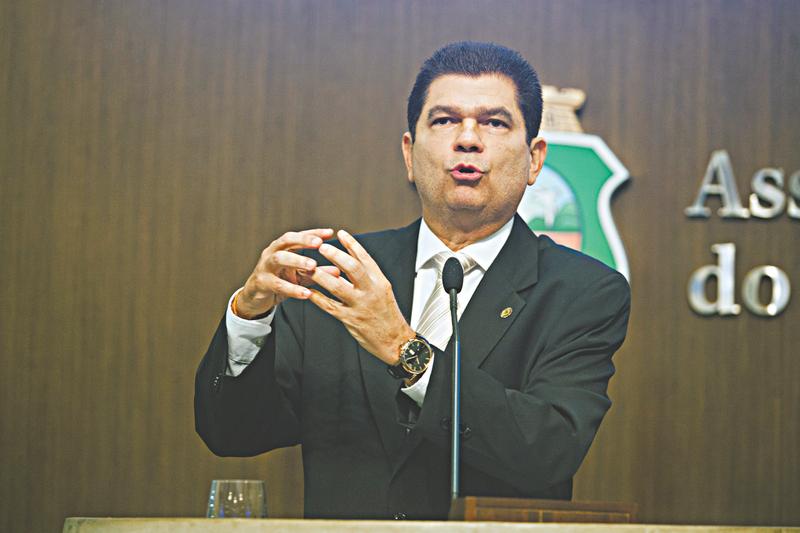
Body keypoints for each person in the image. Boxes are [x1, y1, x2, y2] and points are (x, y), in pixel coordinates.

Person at [195, 41, 630, 520]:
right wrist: (249, 317)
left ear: (535, 159)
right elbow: (233, 433)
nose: (468, 139)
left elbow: (546, 451)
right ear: (409, 152)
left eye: (494, 122)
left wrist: (404, 350)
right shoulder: (339, 272)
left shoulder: (582, 292)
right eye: (444, 120)